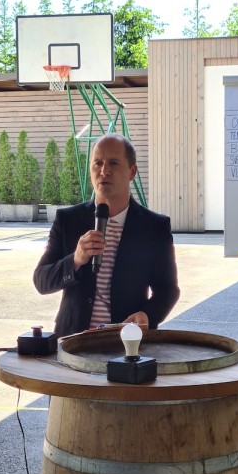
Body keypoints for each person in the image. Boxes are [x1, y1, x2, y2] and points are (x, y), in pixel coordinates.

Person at [33, 133, 180, 337]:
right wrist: (75, 260)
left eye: (113, 163)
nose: (104, 171)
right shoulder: (68, 220)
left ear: (132, 171)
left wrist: (148, 315)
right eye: (98, 163)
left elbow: (168, 290)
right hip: (73, 341)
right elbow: (42, 281)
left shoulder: (154, 227)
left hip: (126, 341)